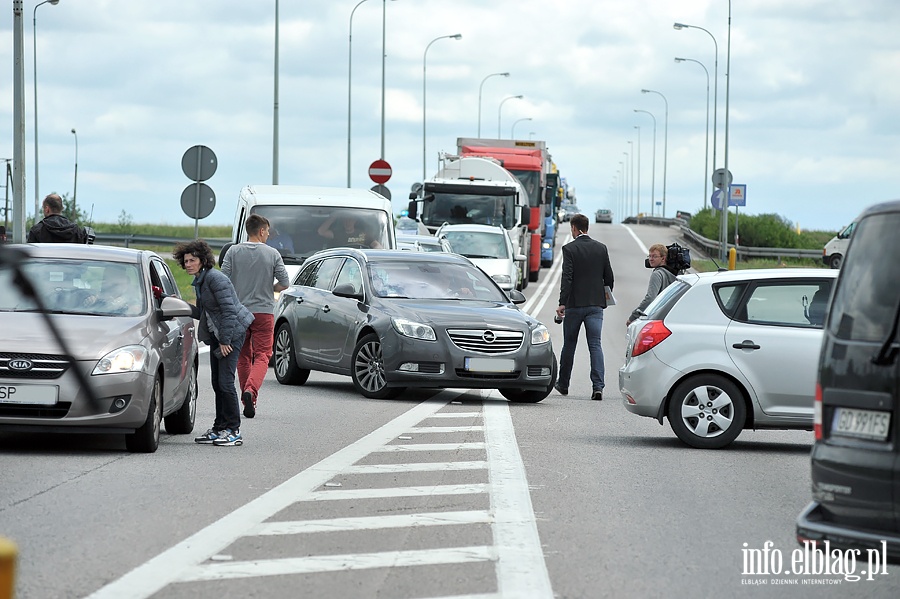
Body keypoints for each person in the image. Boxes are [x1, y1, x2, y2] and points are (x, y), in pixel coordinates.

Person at [173, 239, 255, 447]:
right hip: (218, 335)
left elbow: (229, 311)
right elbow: (203, 312)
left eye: (192, 260)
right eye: (186, 261)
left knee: (226, 382)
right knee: (217, 382)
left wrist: (226, 340)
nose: (188, 264)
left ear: (203, 260)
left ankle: (233, 430)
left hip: (232, 333)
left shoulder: (216, 279)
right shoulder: (201, 281)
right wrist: (179, 304)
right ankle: (219, 428)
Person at [221, 214, 289, 419]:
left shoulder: (233, 251)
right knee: (262, 355)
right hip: (263, 312)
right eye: (267, 231)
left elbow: (223, 279)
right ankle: (251, 391)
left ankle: (246, 397)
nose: (268, 235)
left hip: (238, 312)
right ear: (261, 231)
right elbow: (285, 282)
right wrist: (270, 288)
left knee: (243, 356)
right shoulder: (272, 253)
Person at [555, 213, 615, 401]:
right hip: (595, 305)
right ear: (587, 227)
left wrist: (562, 302)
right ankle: (598, 386)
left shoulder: (570, 249)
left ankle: (563, 384)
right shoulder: (601, 248)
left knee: (569, 345)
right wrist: (603, 295)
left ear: (574, 228)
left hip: (574, 305)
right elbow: (609, 277)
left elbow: (567, 278)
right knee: (595, 344)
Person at [627, 243, 678, 326]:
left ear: (663, 258)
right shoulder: (674, 273)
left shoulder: (657, 274)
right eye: (649, 256)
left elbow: (650, 298)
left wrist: (633, 317)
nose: (651, 259)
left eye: (654, 256)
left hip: (659, 317)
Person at [317, 212, 382, 249]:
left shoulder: (362, 234)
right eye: (345, 220)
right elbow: (321, 231)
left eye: (350, 220)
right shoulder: (337, 233)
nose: (348, 222)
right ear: (342, 221)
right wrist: (333, 217)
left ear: (355, 221)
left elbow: (377, 245)